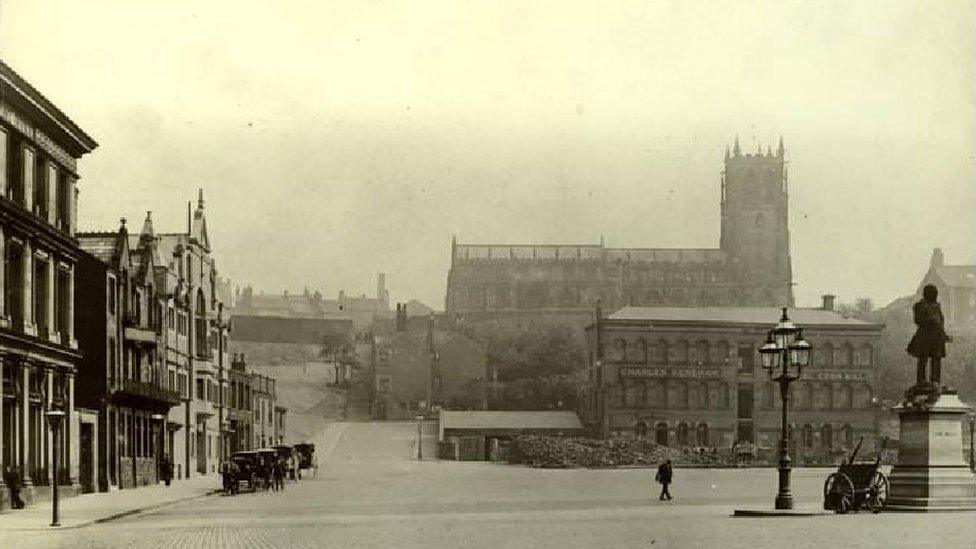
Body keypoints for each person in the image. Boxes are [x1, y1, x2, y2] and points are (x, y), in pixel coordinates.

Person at [907, 284, 952, 389]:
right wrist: (930, 321)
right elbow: (918, 320)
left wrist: (944, 335)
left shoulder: (937, 307)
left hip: (937, 337)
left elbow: (941, 322)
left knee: (936, 359)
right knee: (923, 359)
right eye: (933, 293)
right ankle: (921, 381)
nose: (935, 295)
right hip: (925, 336)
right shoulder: (919, 305)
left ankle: (935, 381)